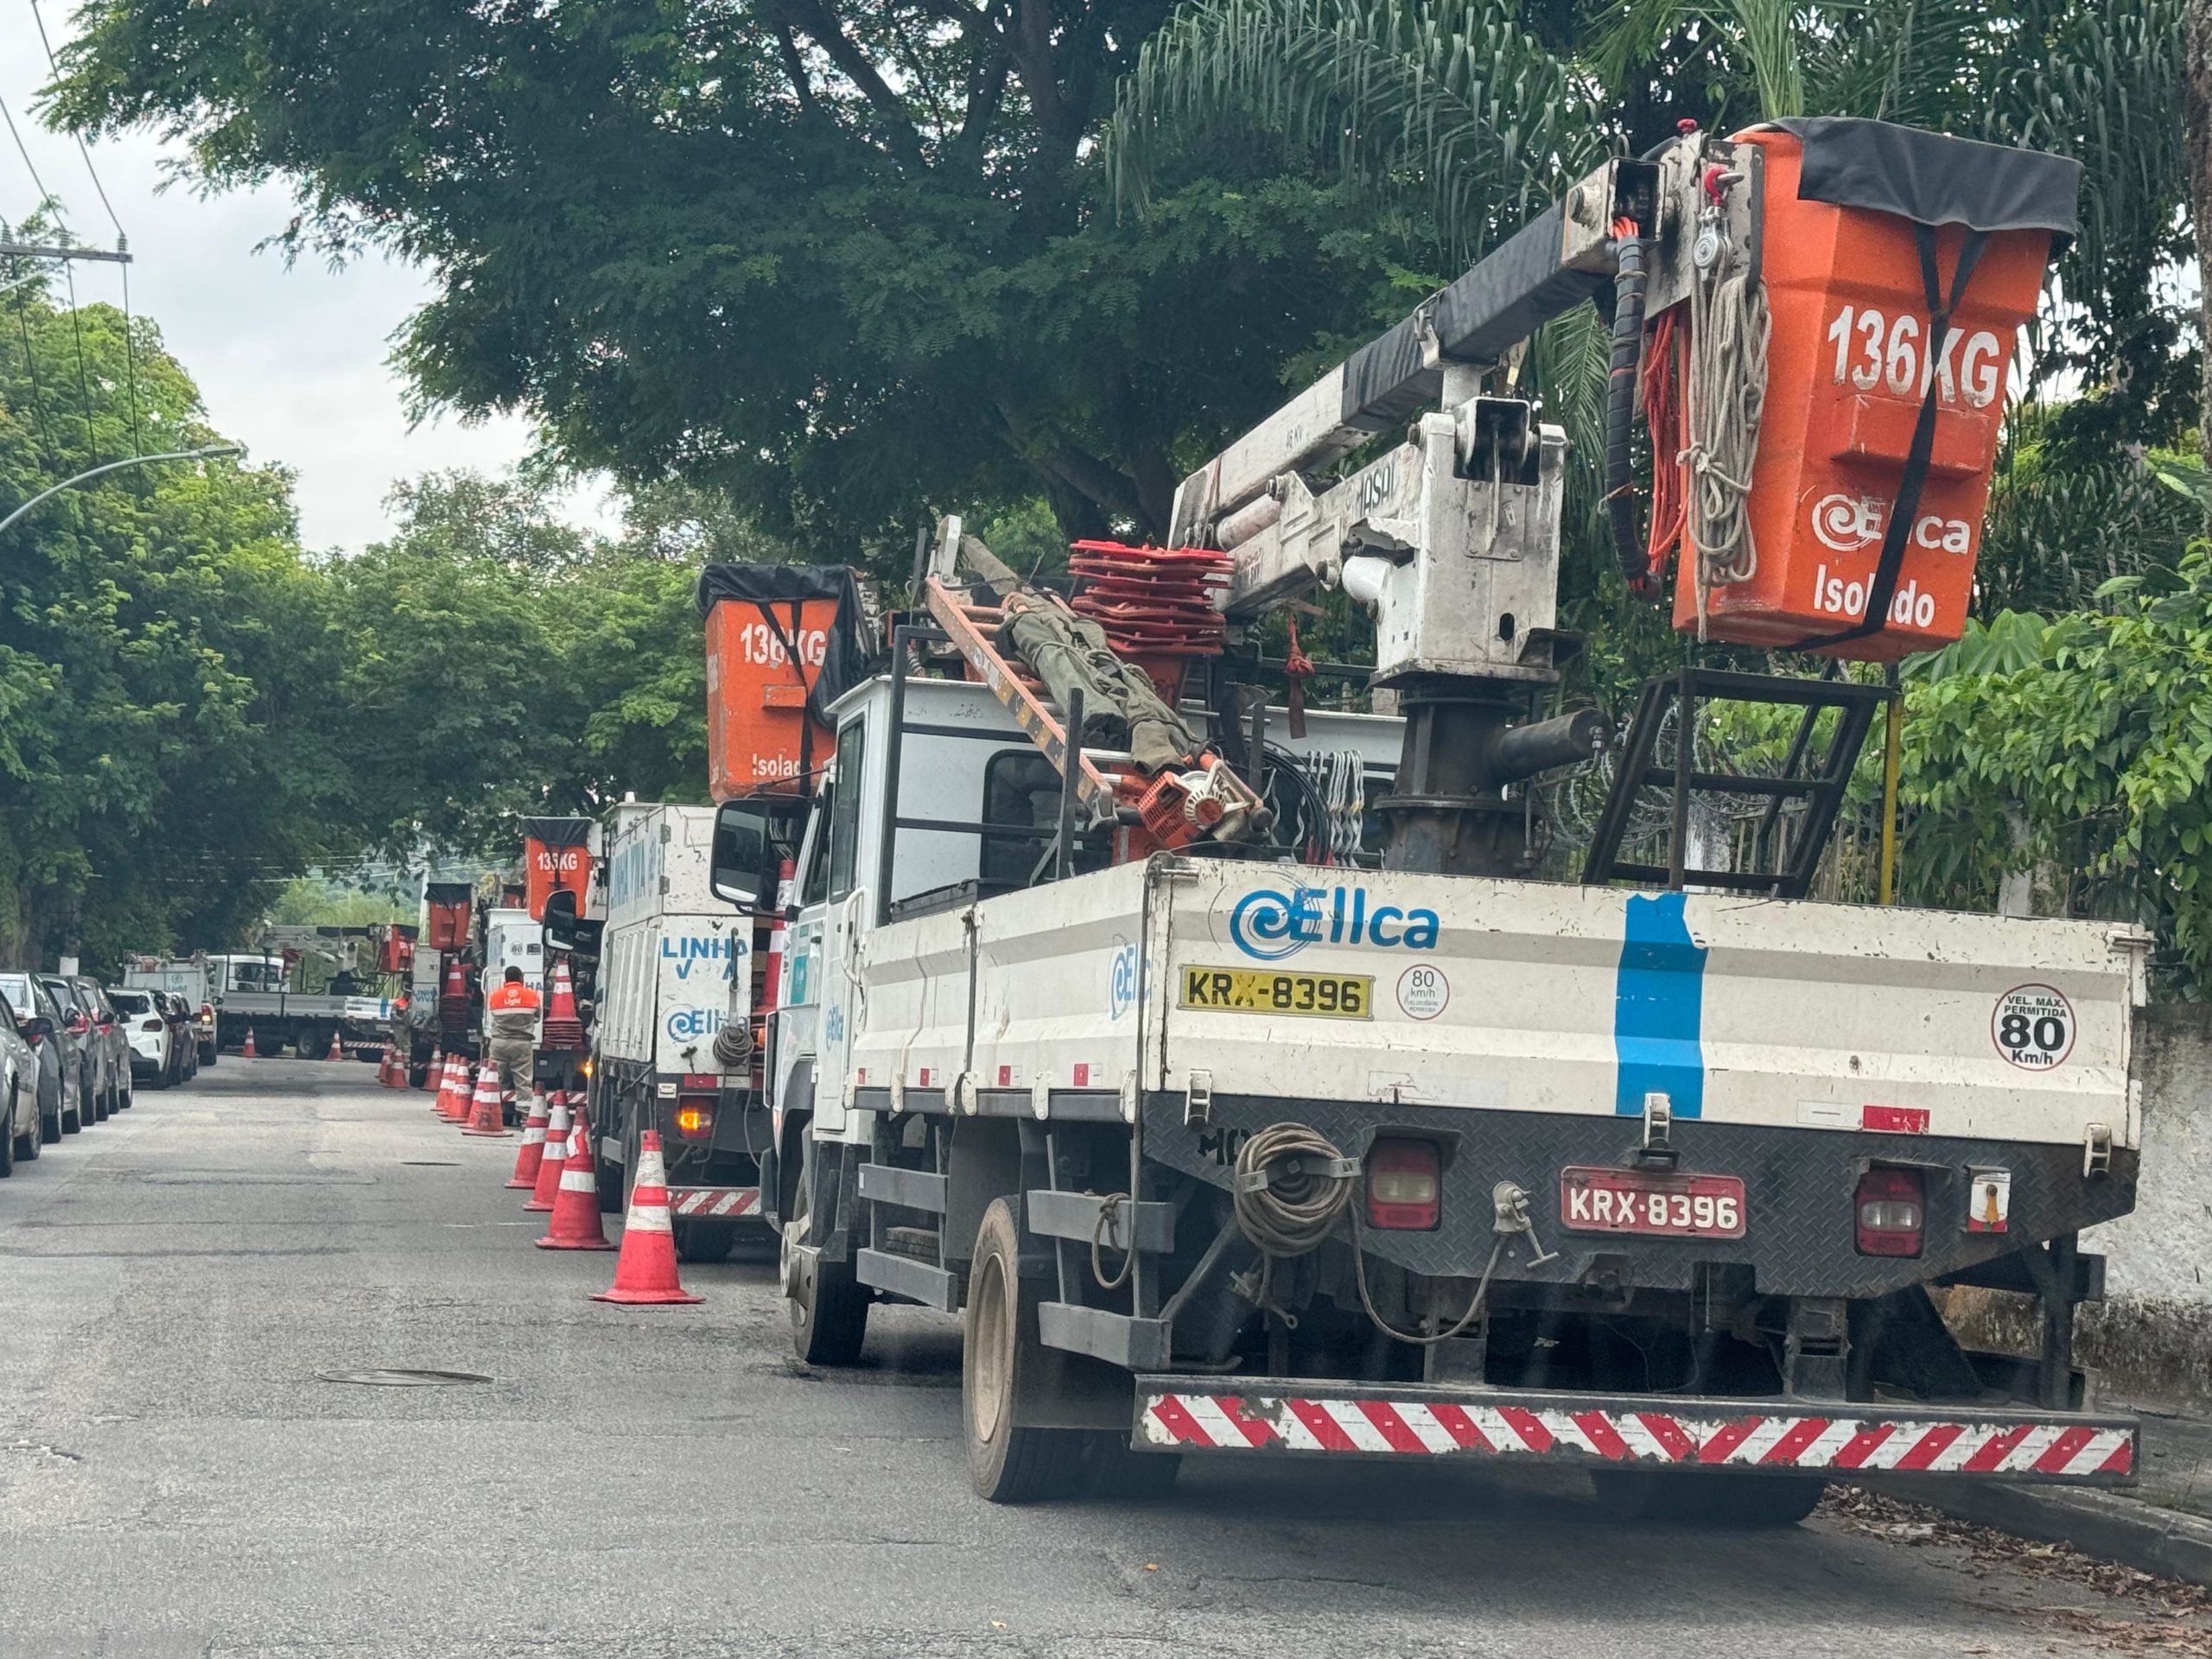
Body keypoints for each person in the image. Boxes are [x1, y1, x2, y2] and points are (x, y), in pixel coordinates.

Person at [483, 965, 541, 1106]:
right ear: (521, 978)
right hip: (522, 1044)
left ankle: (492, 1112)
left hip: (499, 1043)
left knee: (495, 1079)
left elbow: (494, 1015)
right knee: (523, 1082)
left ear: (506, 979)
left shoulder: (496, 996)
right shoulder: (532, 996)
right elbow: (537, 1017)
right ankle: (524, 1116)